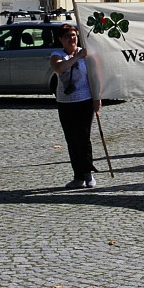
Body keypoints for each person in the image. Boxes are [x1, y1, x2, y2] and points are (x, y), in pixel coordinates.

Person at [49, 23, 101, 189]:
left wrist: (97, 97)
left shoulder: (86, 53)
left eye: (74, 35)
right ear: (61, 40)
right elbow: (60, 68)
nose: (72, 39)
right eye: (68, 37)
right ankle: (78, 175)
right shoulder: (57, 55)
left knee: (83, 138)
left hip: (84, 100)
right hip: (65, 103)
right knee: (71, 139)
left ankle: (88, 173)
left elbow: (95, 76)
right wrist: (77, 57)